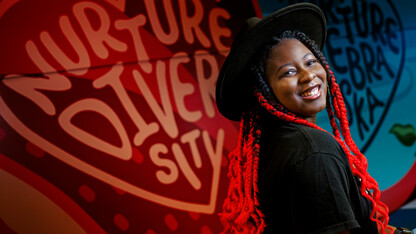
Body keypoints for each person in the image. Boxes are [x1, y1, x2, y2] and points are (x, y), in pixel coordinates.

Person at [215, 3, 414, 234]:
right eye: (288, 72)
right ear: (264, 91)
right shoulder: (313, 151)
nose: (308, 75)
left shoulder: (271, 144)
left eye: (310, 62)